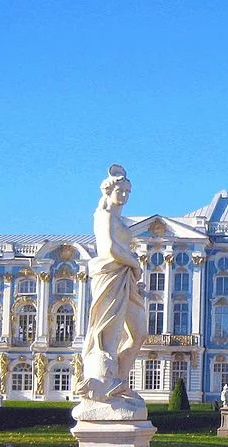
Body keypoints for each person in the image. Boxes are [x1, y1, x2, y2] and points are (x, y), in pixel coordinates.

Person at [74, 165, 146, 408]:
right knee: (108, 335)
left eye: (127, 192)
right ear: (108, 191)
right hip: (111, 274)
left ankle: (119, 381)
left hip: (125, 277)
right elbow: (110, 249)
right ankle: (106, 383)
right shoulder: (103, 216)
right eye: (120, 191)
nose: (124, 196)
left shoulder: (119, 219)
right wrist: (135, 263)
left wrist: (132, 267)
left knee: (139, 334)